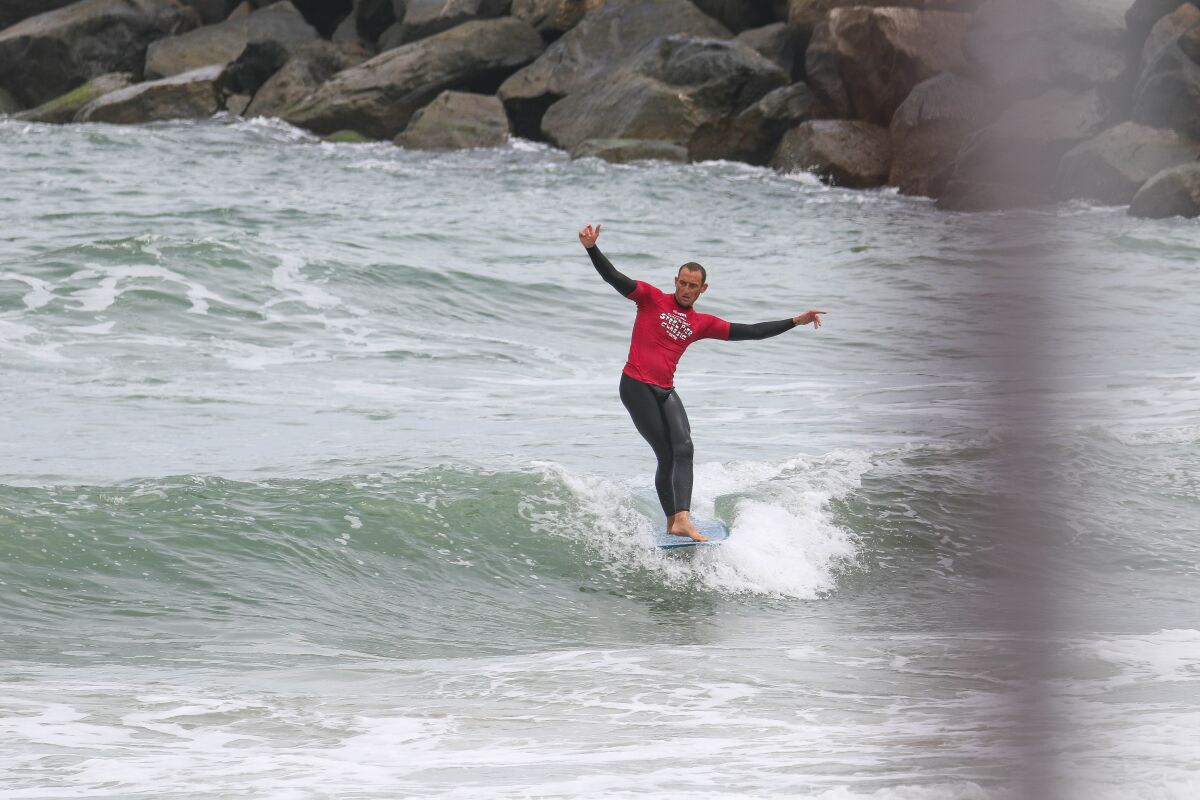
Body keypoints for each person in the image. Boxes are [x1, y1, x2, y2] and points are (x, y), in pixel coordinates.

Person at [579, 223, 826, 542]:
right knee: (665, 454)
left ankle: (679, 519)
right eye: (682, 283)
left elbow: (751, 331)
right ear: (675, 282)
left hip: (665, 389)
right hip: (635, 385)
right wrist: (591, 248)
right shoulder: (651, 299)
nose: (685, 289)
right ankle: (677, 520)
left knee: (685, 447)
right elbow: (614, 277)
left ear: (702, 289)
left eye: (692, 285)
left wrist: (795, 321)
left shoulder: (702, 323)